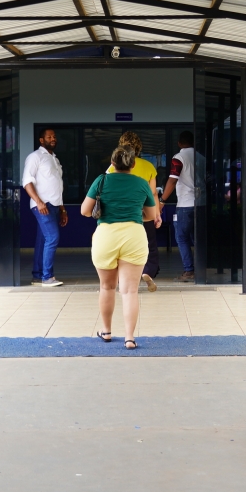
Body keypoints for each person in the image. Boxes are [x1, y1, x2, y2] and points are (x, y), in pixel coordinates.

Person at [82, 145, 158, 350]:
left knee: (107, 287)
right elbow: (151, 215)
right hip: (134, 236)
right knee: (130, 291)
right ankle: (129, 338)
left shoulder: (101, 180)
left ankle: (106, 331)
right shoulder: (141, 183)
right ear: (133, 164)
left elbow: (85, 211)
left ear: (112, 163)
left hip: (106, 236)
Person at [106, 130, 162, 292]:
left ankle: (120, 278)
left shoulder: (113, 167)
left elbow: (108, 189)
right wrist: (157, 214)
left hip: (120, 214)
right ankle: (148, 271)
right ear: (139, 147)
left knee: (122, 247)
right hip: (144, 214)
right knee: (150, 246)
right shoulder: (148, 166)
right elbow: (153, 193)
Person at [22, 128, 68, 287]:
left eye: (54, 136)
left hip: (54, 205)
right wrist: (39, 202)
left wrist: (62, 209)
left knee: (42, 240)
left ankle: (37, 275)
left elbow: (57, 186)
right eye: (49, 137)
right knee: (52, 237)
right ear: (41, 140)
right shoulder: (35, 157)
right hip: (42, 205)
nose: (53, 139)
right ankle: (47, 277)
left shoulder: (54, 158)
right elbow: (27, 182)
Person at [159, 130, 195, 282]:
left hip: (185, 204)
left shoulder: (178, 158)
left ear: (179, 143)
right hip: (200, 203)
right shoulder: (201, 157)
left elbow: (173, 180)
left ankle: (189, 270)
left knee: (181, 237)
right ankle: (202, 269)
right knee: (197, 238)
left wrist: (162, 201)